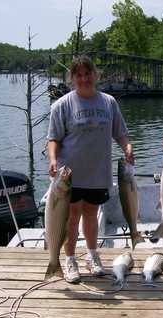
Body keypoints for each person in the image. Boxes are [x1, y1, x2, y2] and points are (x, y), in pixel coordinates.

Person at [47, 55, 134, 283]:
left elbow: (120, 132)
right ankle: (69, 259)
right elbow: (53, 138)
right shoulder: (62, 105)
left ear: (96, 75)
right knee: (72, 217)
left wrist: (127, 147)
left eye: (88, 74)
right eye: (79, 75)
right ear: (72, 78)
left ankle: (93, 255)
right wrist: (53, 160)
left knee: (91, 214)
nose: (84, 79)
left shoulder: (108, 102)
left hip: (98, 172)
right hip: (69, 176)